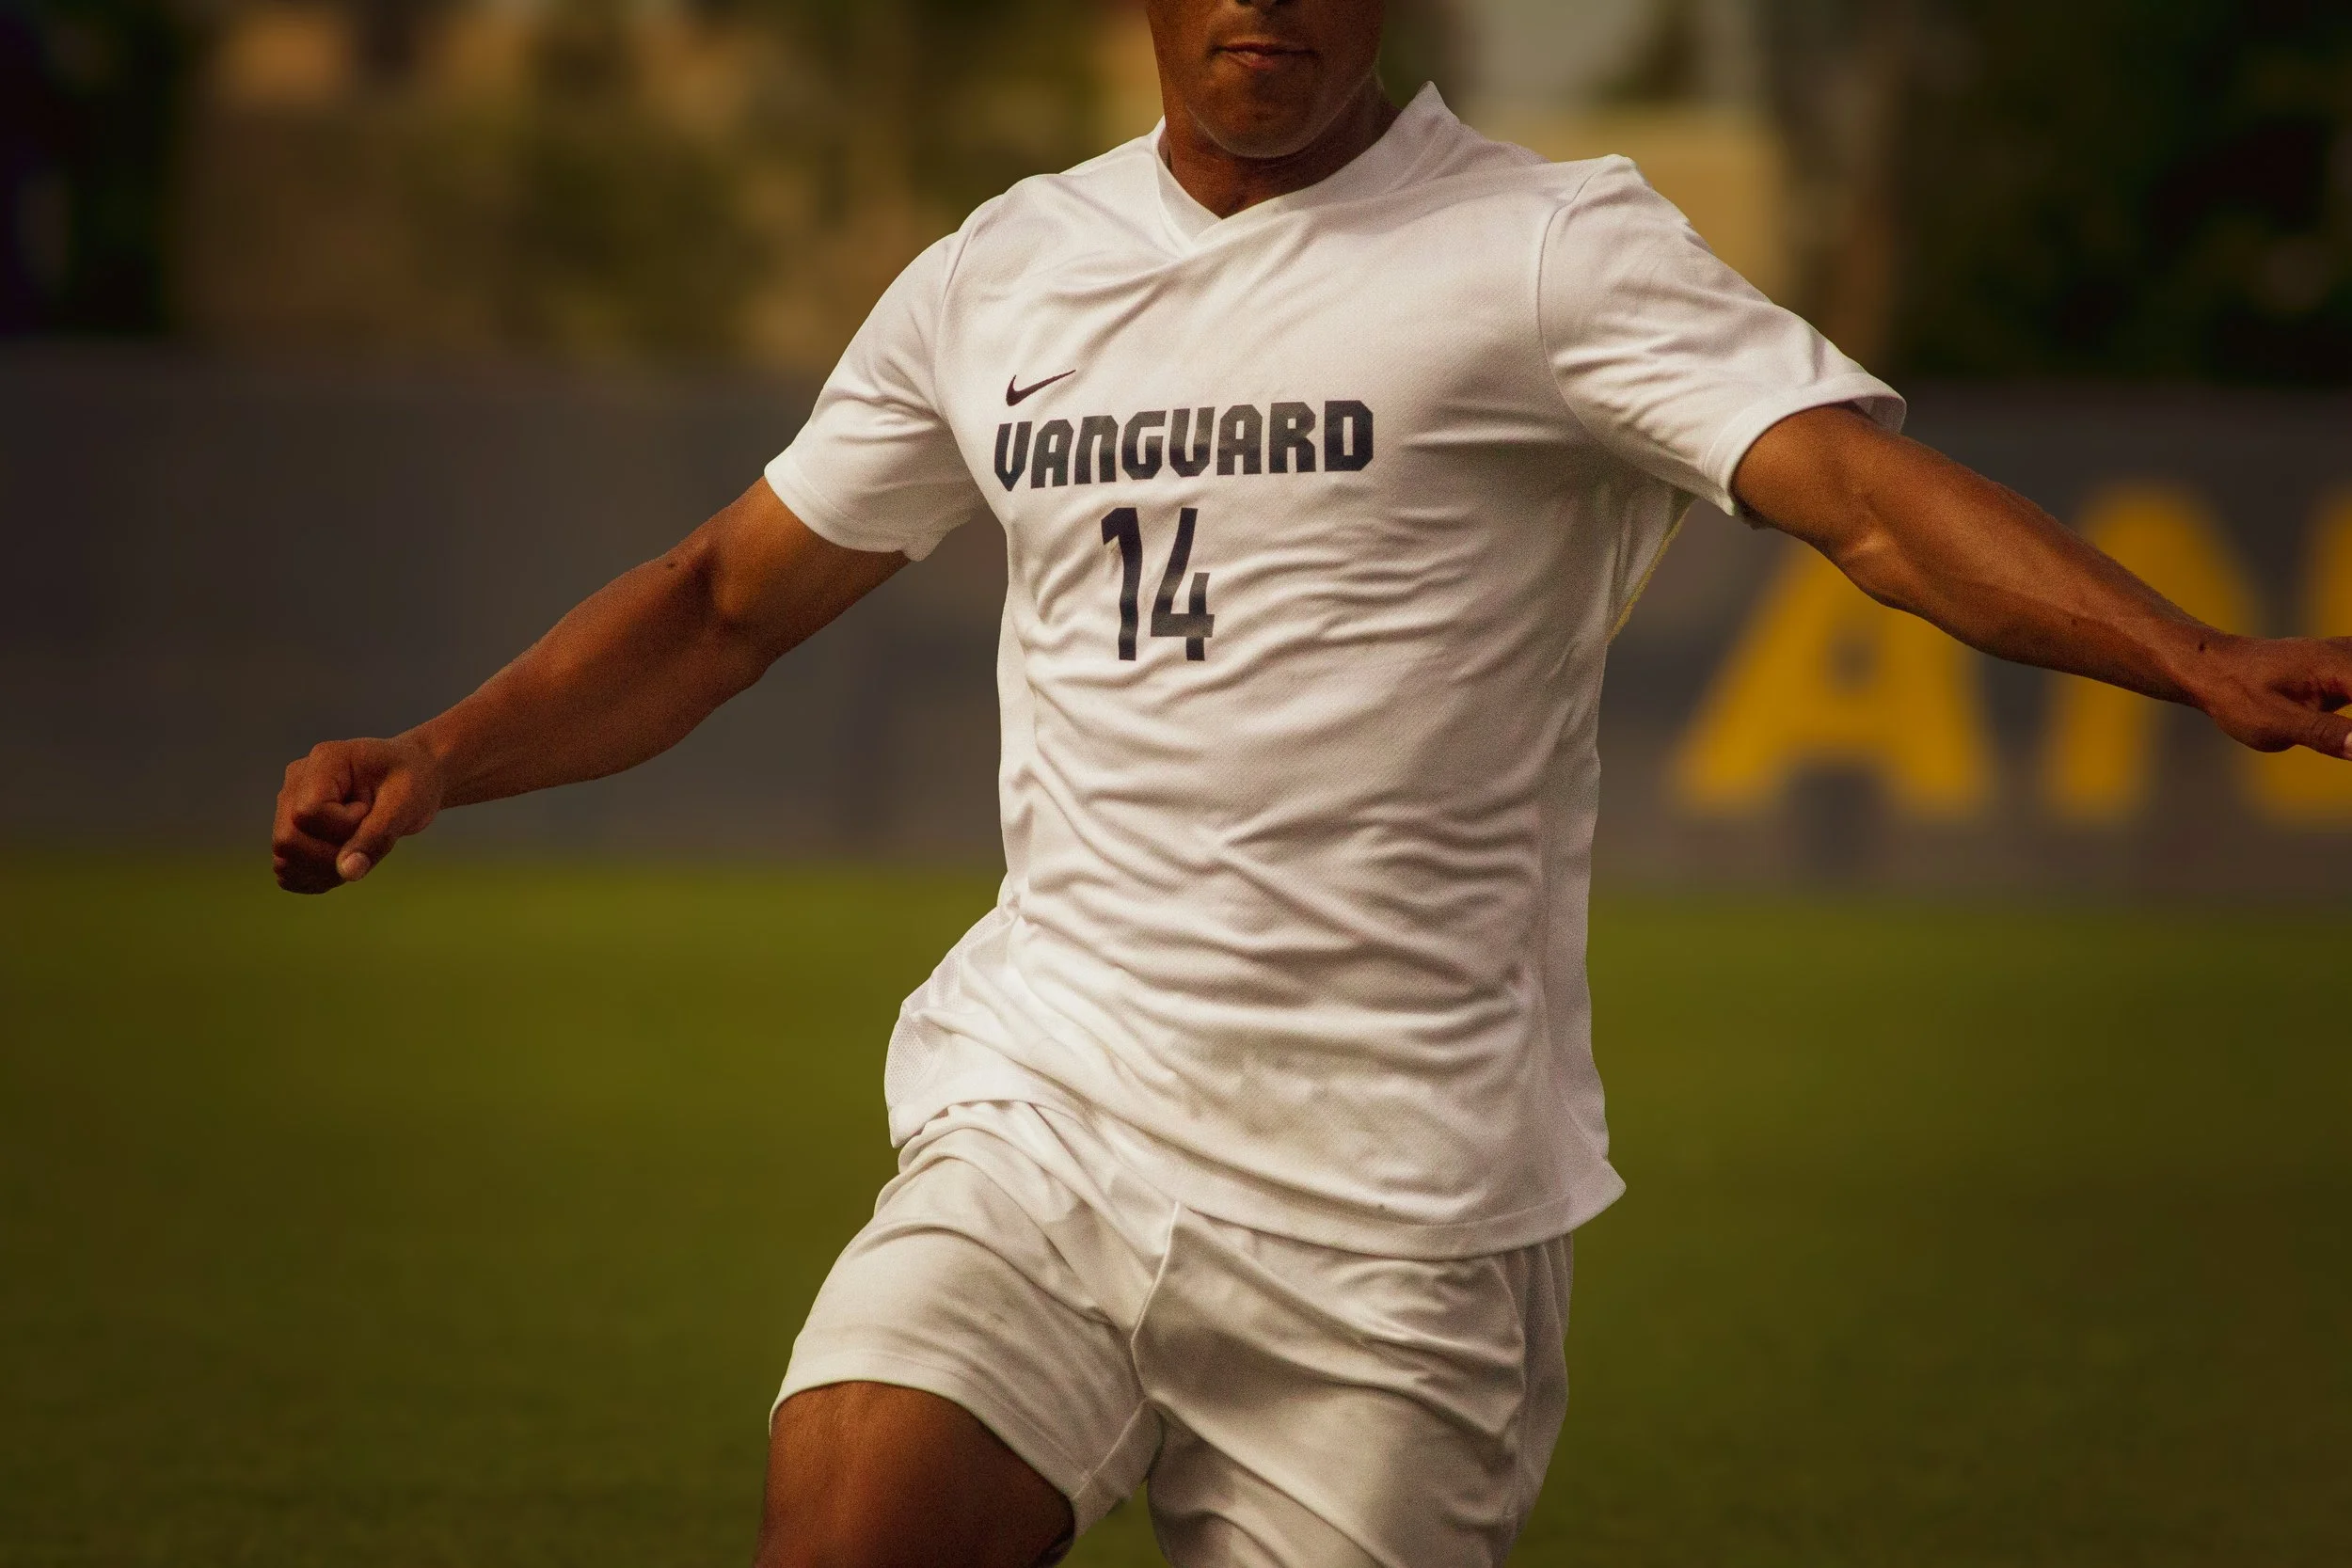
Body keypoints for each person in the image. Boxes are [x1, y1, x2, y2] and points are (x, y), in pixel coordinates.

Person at [272, 2, 2352, 1563]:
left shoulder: (1548, 251)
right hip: (1051, 1105)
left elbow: (1863, 506)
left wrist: (2184, 654)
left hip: (1398, 1205)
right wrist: (442, 755)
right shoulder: (1000, 271)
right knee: (847, 1525)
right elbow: (726, 601)